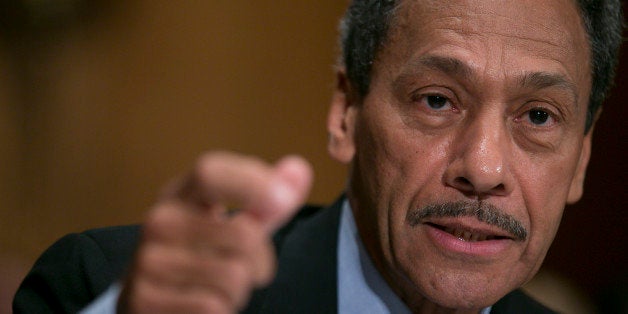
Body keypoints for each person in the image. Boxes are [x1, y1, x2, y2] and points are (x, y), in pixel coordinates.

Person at [13, 0, 624, 313]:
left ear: (581, 160)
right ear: (346, 115)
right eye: (437, 100)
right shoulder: (106, 287)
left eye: (539, 117)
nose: (483, 168)